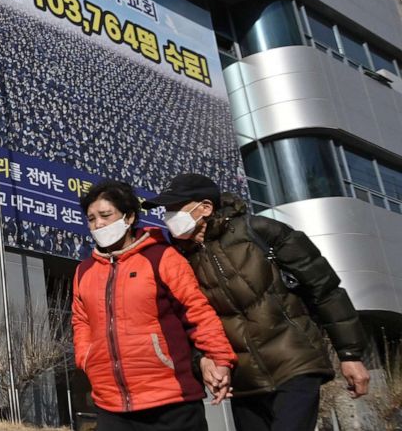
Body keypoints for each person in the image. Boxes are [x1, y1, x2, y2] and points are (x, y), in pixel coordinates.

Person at [142, 173, 370, 431]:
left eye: (175, 208)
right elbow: (184, 322)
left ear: (205, 207)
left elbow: (325, 289)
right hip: (244, 382)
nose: (169, 217)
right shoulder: (176, 260)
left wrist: (350, 354)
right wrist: (201, 361)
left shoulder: (260, 230)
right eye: (166, 210)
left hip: (294, 361)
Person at [73, 180, 236, 431]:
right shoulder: (84, 271)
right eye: (91, 218)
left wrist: (219, 358)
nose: (98, 224)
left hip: (171, 401)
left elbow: (196, 311)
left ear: (128, 218)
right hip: (111, 406)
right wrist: (86, 357)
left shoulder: (162, 257)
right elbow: (81, 321)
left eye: (106, 215)